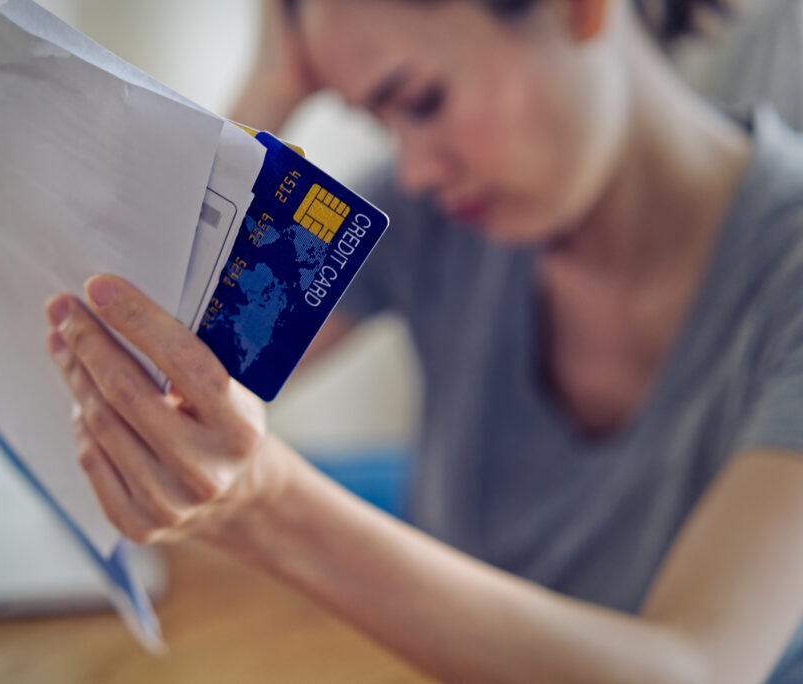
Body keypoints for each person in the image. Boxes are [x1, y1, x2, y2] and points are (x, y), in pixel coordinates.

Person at [42, 0, 803, 680]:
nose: (413, 166)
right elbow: (155, 347)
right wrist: (271, 87)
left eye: (423, 101)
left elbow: (698, 668)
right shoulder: (441, 210)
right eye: (382, 121)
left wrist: (265, 506)